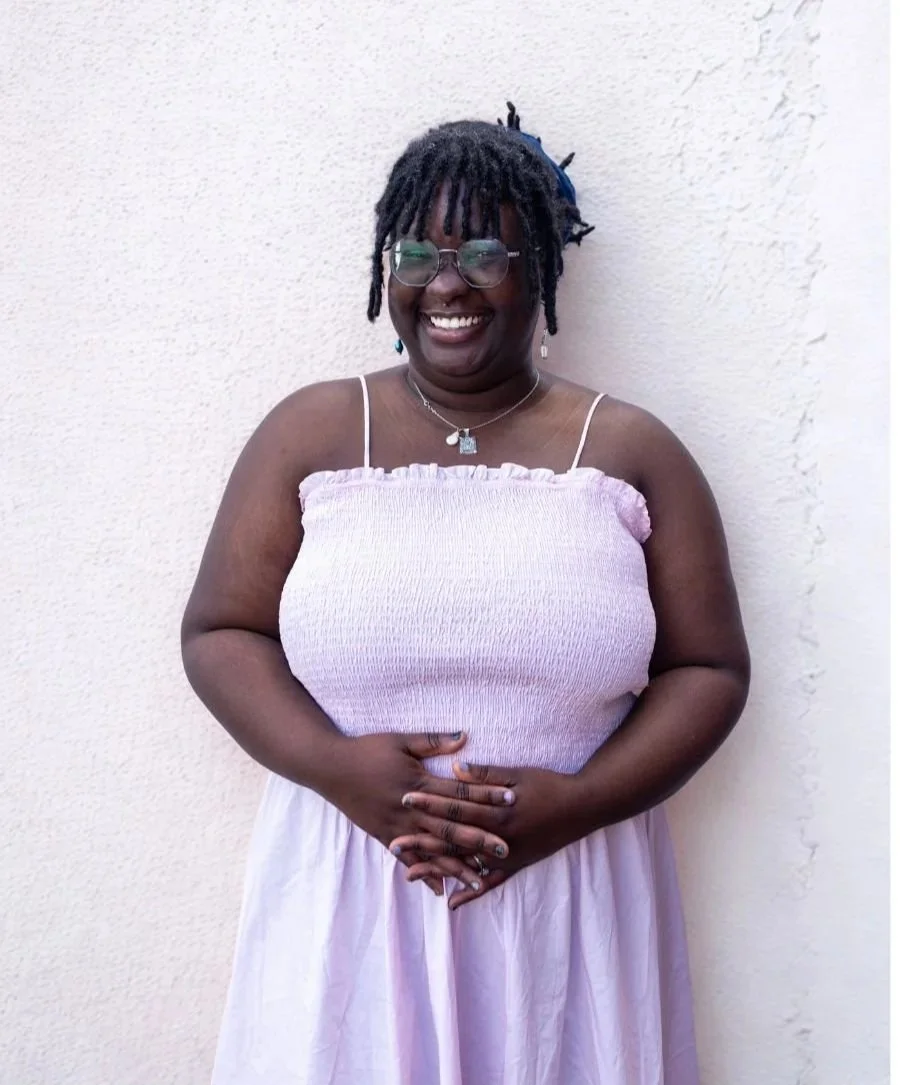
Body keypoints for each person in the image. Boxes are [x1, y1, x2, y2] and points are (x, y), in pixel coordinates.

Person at [181, 102, 750, 1085]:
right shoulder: (311, 433)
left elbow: (709, 665)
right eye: (415, 250)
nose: (445, 281)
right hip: (350, 901)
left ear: (543, 269)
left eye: (485, 247)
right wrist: (334, 767)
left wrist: (577, 803)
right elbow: (221, 628)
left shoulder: (630, 451)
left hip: (569, 904)